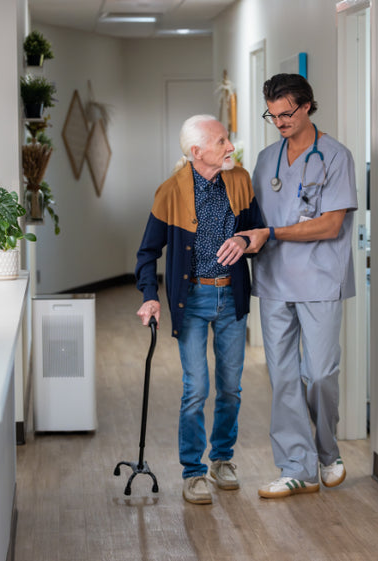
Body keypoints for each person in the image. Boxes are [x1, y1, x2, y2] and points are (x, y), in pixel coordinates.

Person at [237, 73, 358, 499]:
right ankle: (297, 468)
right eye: (272, 115)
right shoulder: (267, 159)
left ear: (307, 106)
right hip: (272, 280)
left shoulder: (335, 156)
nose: (280, 122)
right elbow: (254, 216)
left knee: (320, 373)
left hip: (320, 279)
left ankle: (326, 449)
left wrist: (273, 234)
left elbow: (330, 223)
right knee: (284, 377)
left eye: (286, 113)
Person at [135, 114, 264, 505]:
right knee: (196, 389)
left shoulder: (239, 180)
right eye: (222, 141)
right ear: (197, 152)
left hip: (231, 298)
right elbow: (147, 253)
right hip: (192, 302)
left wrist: (243, 239)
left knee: (231, 388)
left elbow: (257, 232)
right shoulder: (170, 191)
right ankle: (193, 471)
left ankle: (222, 459)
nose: (230, 147)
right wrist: (149, 295)